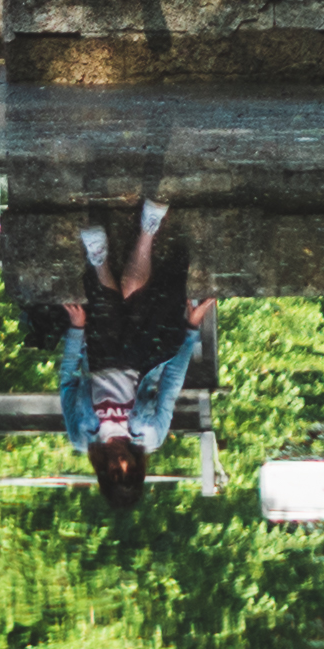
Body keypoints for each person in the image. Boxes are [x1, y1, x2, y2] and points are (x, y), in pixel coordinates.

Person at [55, 194, 216, 510]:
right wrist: (191, 329)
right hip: (144, 357)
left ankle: (135, 237)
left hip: (100, 356)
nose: (120, 466)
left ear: (103, 473)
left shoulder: (82, 438)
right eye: (127, 473)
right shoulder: (151, 437)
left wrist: (76, 330)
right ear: (138, 472)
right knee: (132, 297)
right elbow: (170, 387)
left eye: (114, 473)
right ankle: (110, 253)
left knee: (115, 307)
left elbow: (67, 383)